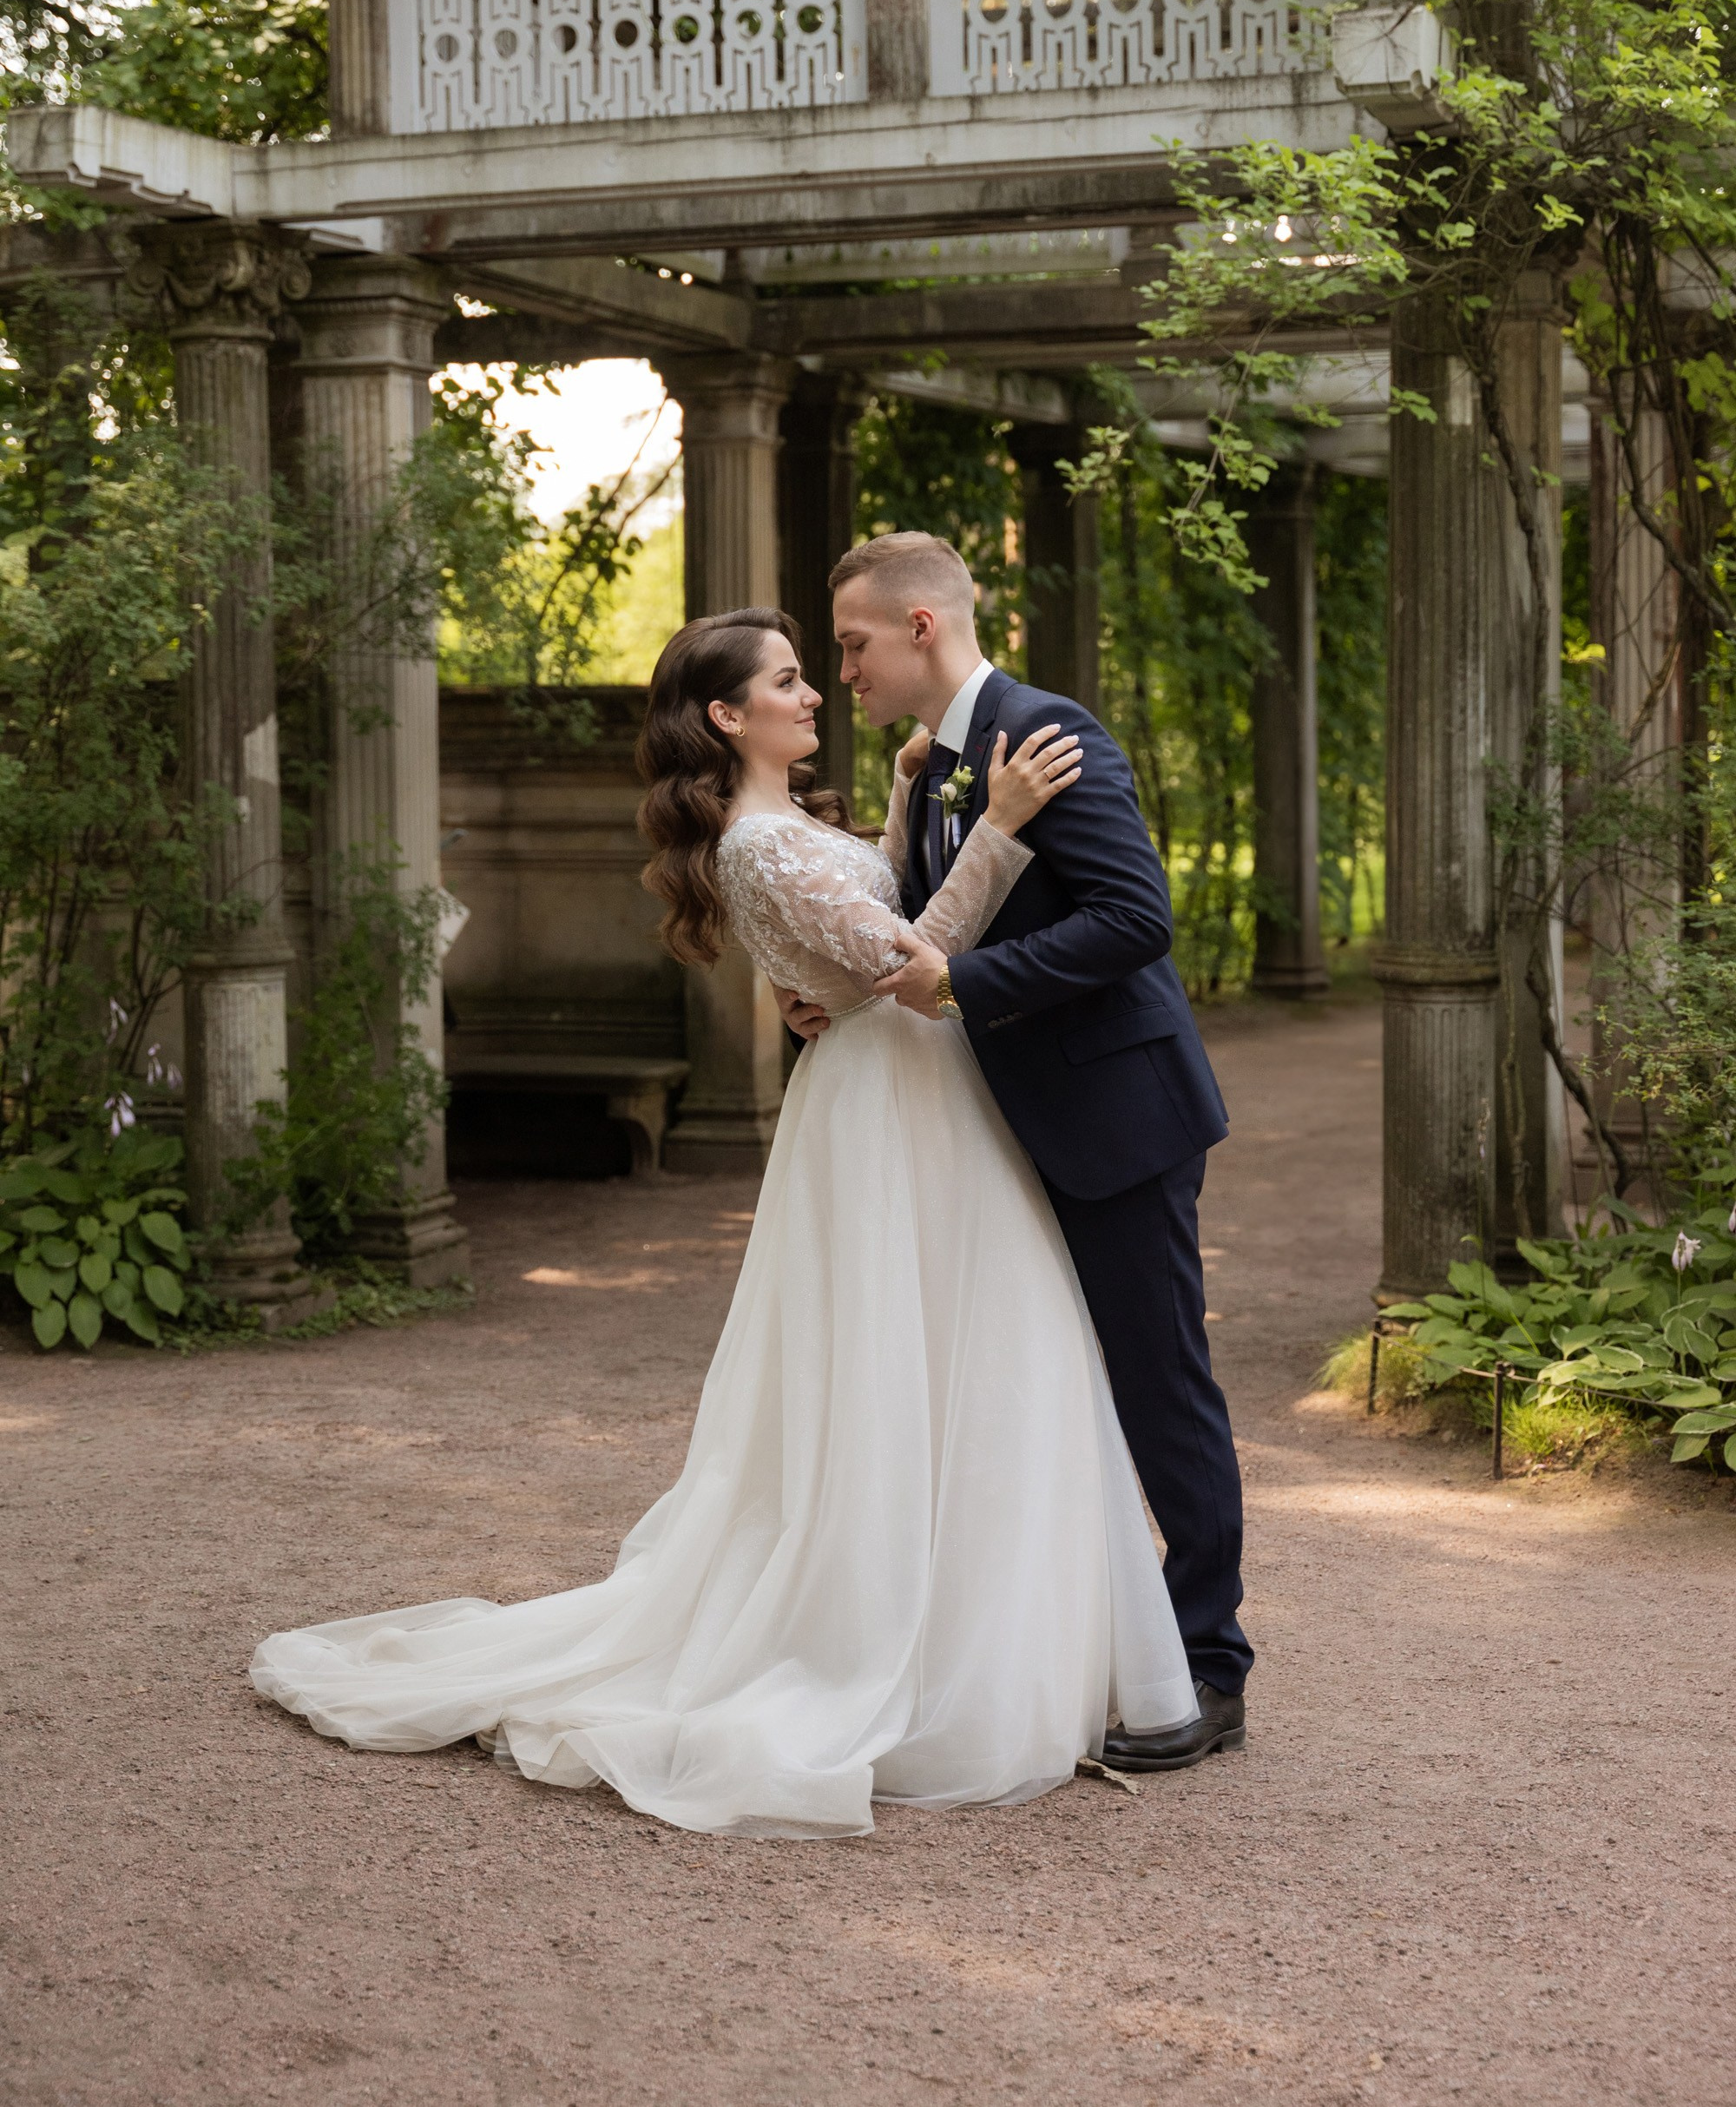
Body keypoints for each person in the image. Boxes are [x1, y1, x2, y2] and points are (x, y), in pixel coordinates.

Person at [249, 605, 1198, 1838]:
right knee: (908, 1364)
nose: (820, 695)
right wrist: (1003, 832)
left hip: (915, 1091)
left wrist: (912, 811)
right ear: (727, 715)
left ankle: (1002, 1637)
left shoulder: (791, 825)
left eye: (821, 673)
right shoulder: (754, 845)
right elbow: (913, 958)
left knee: (975, 1355)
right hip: (889, 1108)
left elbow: (869, 939)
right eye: (794, 681)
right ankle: (895, 1647)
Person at [799, 532, 1251, 1774]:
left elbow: (1135, 918)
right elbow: (927, 915)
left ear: (923, 629)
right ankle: (1084, 1643)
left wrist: (962, 984)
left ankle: (1211, 1670)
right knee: (1046, 1391)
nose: (843, 671)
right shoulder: (937, 763)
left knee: (1160, 1386)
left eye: (853, 644)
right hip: (1013, 1125)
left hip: (1117, 1120)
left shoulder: (1046, 733)